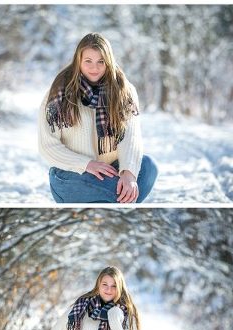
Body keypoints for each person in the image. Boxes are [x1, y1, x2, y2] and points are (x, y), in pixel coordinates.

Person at [39, 33, 158, 203]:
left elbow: (131, 138)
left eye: (100, 61)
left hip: (111, 169)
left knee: (148, 167)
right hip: (72, 175)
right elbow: (47, 146)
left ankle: (111, 199)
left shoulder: (124, 91)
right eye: (88, 61)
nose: (94, 67)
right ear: (78, 60)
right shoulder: (59, 92)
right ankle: (122, 199)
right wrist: (86, 164)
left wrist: (128, 174)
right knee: (121, 193)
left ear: (108, 62)